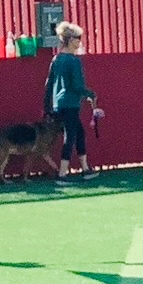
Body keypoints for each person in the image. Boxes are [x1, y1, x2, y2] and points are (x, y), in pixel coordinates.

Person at [43, 21, 101, 185]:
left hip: (59, 104)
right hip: (70, 103)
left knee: (79, 133)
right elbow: (76, 86)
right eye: (77, 38)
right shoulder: (74, 61)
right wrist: (90, 94)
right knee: (71, 136)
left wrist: (46, 107)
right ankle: (62, 174)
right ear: (69, 40)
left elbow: (48, 84)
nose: (79, 41)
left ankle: (85, 169)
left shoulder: (56, 59)